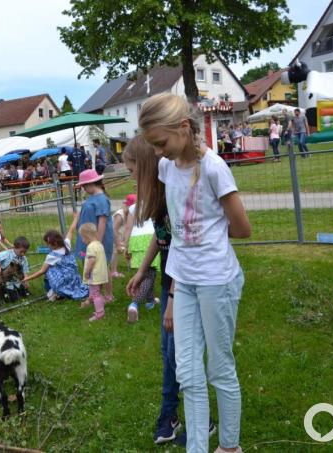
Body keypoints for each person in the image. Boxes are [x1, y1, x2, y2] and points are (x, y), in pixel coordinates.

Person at [138, 92, 252, 453]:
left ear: (184, 128)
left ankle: (230, 446)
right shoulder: (166, 167)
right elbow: (175, 226)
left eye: (161, 142)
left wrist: (210, 240)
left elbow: (242, 228)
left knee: (219, 368)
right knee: (187, 373)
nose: (158, 151)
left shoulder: (215, 169)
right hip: (182, 281)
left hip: (217, 280)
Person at [124, 135, 216, 446]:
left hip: (184, 282)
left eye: (132, 170)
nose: (131, 177)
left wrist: (173, 300)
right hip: (169, 278)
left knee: (179, 354)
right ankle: (179, 416)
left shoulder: (171, 194)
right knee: (170, 353)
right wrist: (140, 270)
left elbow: (183, 246)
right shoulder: (157, 197)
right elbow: (161, 239)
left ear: (146, 166)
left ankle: (186, 418)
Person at [23, 211, 89, 302]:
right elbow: (71, 230)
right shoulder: (66, 244)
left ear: (53, 244)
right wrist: (76, 218)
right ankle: (62, 291)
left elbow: (41, 271)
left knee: (49, 270)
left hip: (64, 282)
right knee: (56, 267)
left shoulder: (51, 256)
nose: (47, 246)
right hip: (75, 279)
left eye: (47, 244)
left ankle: (54, 291)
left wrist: (27, 278)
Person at [74, 169, 114, 302]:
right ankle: (95, 293)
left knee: (102, 265)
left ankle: (108, 295)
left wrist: (98, 243)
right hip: (88, 239)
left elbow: (102, 222)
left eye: (84, 186)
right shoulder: (92, 198)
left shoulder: (102, 199)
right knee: (91, 264)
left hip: (97, 240)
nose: (84, 189)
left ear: (92, 184)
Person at [123, 200, 160, 322]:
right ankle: (134, 304)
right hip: (151, 238)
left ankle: (150, 301)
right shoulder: (155, 203)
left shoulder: (133, 207)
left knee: (146, 274)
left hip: (136, 239)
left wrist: (126, 245)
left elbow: (128, 227)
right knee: (150, 275)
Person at [78, 222, 109, 321]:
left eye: (82, 238)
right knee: (97, 292)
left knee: (95, 294)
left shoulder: (90, 246)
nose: (82, 240)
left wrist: (87, 272)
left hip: (94, 275)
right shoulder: (99, 244)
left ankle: (100, 313)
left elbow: (92, 261)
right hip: (101, 274)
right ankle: (99, 304)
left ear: (86, 236)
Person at [0, 236, 31, 301]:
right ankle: (2, 291)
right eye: (21, 251)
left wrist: (26, 281)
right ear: (14, 247)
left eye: (25, 252)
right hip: (5, 281)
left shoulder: (24, 258)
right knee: (12, 299)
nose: (23, 254)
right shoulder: (6, 254)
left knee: (25, 294)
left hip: (16, 281)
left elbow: (25, 270)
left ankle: (18, 289)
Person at [111, 194, 134, 279]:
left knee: (128, 248)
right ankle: (113, 271)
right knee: (115, 251)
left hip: (120, 236)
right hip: (113, 236)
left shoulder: (129, 214)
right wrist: (118, 243)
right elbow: (113, 229)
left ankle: (131, 266)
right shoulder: (120, 215)